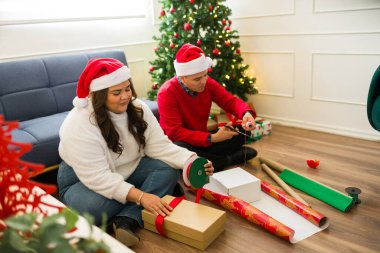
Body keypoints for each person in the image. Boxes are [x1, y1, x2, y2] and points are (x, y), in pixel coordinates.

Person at [57, 58, 214, 247]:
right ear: (97, 95)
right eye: (116, 92)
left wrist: (191, 161)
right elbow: (98, 177)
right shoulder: (78, 124)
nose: (125, 96)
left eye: (127, 89)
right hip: (82, 180)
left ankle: (126, 218)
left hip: (128, 170)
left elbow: (159, 146)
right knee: (93, 210)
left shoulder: (138, 108)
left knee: (168, 171)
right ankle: (149, 194)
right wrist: (141, 196)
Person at [157, 43, 258, 172]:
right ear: (182, 78)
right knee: (180, 149)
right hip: (181, 143)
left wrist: (246, 114)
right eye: (197, 79)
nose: (204, 81)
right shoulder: (166, 92)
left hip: (203, 139)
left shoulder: (207, 83)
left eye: (205, 75)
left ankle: (207, 161)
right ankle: (227, 160)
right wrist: (212, 138)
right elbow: (175, 133)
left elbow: (230, 101)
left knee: (242, 131)